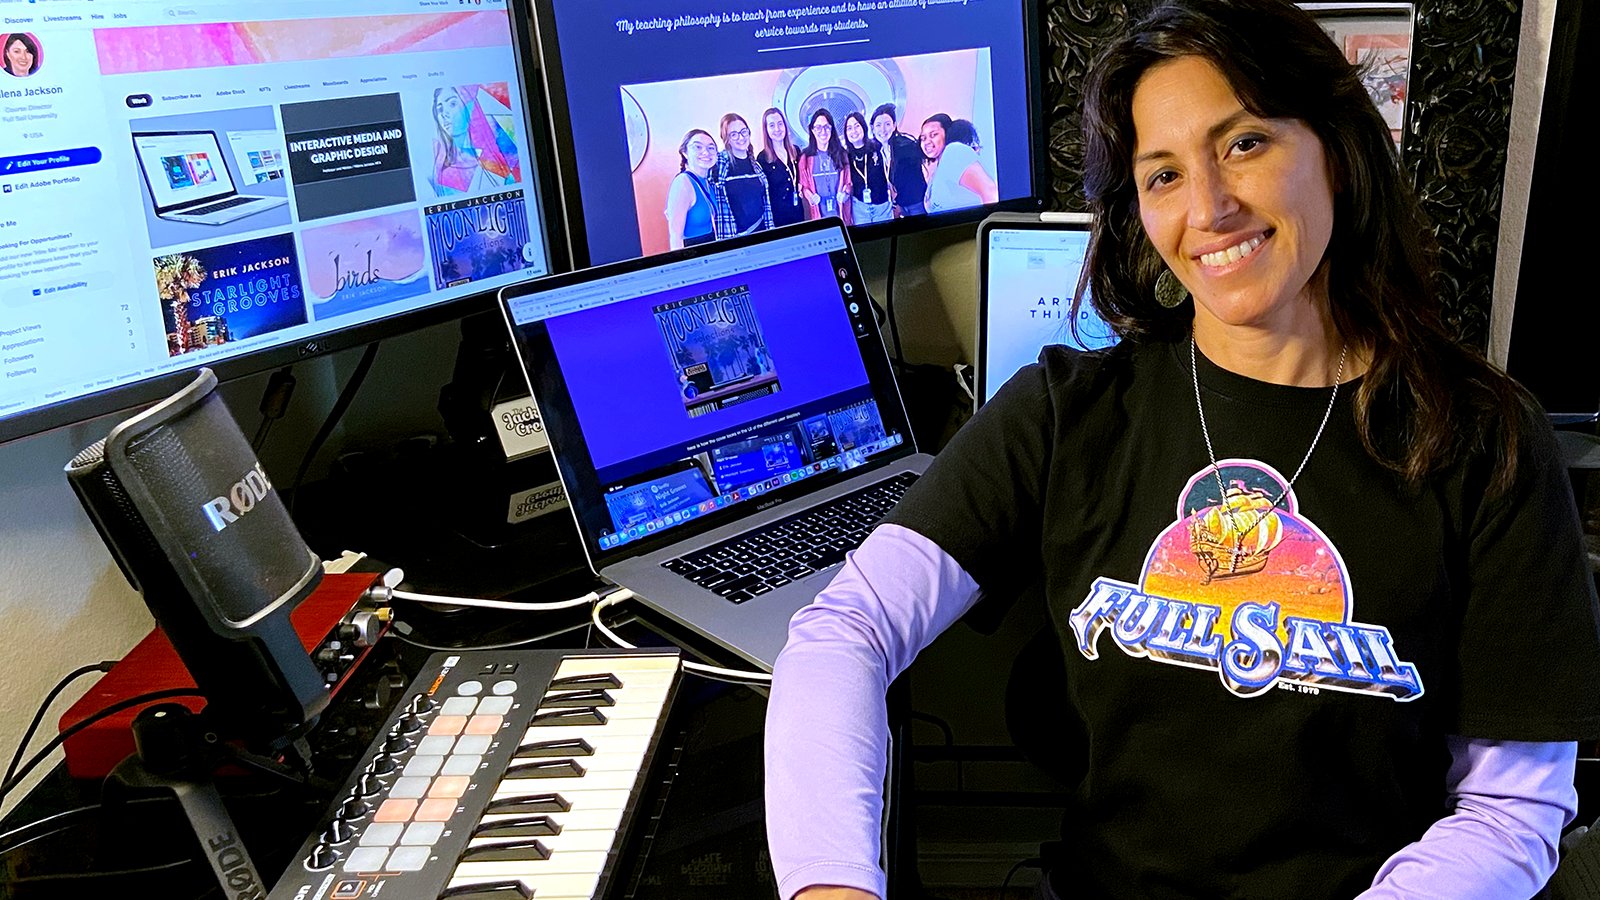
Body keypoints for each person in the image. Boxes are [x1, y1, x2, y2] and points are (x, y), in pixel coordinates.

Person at [764, 0, 1600, 898]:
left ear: (1336, 147)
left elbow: (1510, 811)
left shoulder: (1485, 438)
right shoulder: (1066, 411)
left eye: (1244, 143)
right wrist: (831, 882)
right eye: (1162, 175)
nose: (1209, 206)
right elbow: (843, 631)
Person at [430, 86, 519, 195]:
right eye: (439, 109)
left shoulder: (499, 160)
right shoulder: (445, 174)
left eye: (452, 104)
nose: (444, 114)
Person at [710, 113, 773, 238]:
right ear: (726, 139)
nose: (741, 137)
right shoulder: (719, 164)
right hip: (734, 239)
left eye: (743, 131)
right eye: (734, 134)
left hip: (762, 231)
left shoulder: (756, 165)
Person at [920, 112, 999, 213]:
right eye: (923, 138)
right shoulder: (939, 168)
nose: (927, 142)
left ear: (948, 134)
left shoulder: (954, 151)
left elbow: (990, 191)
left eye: (934, 135)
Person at [796, 108, 853, 224]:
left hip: (840, 216)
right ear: (812, 130)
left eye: (827, 127)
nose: (823, 131)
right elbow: (803, 186)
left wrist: (846, 194)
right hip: (817, 217)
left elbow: (849, 183)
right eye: (818, 127)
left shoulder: (842, 154)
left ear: (832, 129)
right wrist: (810, 197)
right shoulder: (805, 158)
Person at [870, 102, 927, 217]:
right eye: (878, 125)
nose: (883, 129)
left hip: (916, 203)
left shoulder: (905, 145)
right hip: (900, 204)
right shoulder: (877, 149)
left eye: (887, 124)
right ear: (872, 128)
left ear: (894, 125)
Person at [664, 128, 717, 249]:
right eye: (697, 147)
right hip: (693, 253)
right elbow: (675, 237)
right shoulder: (682, 183)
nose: (706, 152)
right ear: (685, 152)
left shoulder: (708, 182)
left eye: (711, 147)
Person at [757, 107, 806, 227]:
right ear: (766, 129)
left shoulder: (796, 151)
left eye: (780, 124)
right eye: (772, 125)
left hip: (798, 212)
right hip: (778, 217)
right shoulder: (762, 158)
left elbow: (802, 178)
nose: (777, 129)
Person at [842, 111, 893, 224]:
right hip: (860, 208)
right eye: (849, 128)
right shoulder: (846, 156)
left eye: (857, 126)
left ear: (864, 128)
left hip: (882, 207)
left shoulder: (877, 147)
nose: (853, 131)